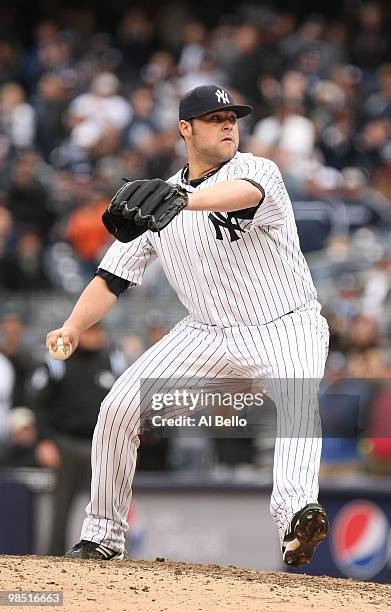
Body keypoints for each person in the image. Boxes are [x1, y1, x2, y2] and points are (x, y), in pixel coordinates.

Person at [46, 84, 330, 567]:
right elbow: (112, 278)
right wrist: (72, 326)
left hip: (285, 324)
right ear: (185, 128)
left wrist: (181, 199)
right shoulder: (159, 201)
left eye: (232, 118)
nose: (228, 125)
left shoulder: (256, 170)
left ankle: (297, 516)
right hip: (206, 333)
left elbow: (243, 194)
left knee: (297, 395)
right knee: (117, 408)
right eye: (215, 118)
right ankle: (103, 535)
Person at [30, 323, 126, 555]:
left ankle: (112, 553)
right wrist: (43, 441)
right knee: (61, 508)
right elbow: (38, 405)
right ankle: (54, 557)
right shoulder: (57, 361)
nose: (96, 337)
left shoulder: (113, 360)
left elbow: (125, 404)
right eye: (91, 332)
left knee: (109, 506)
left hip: (102, 446)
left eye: (99, 332)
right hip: (66, 443)